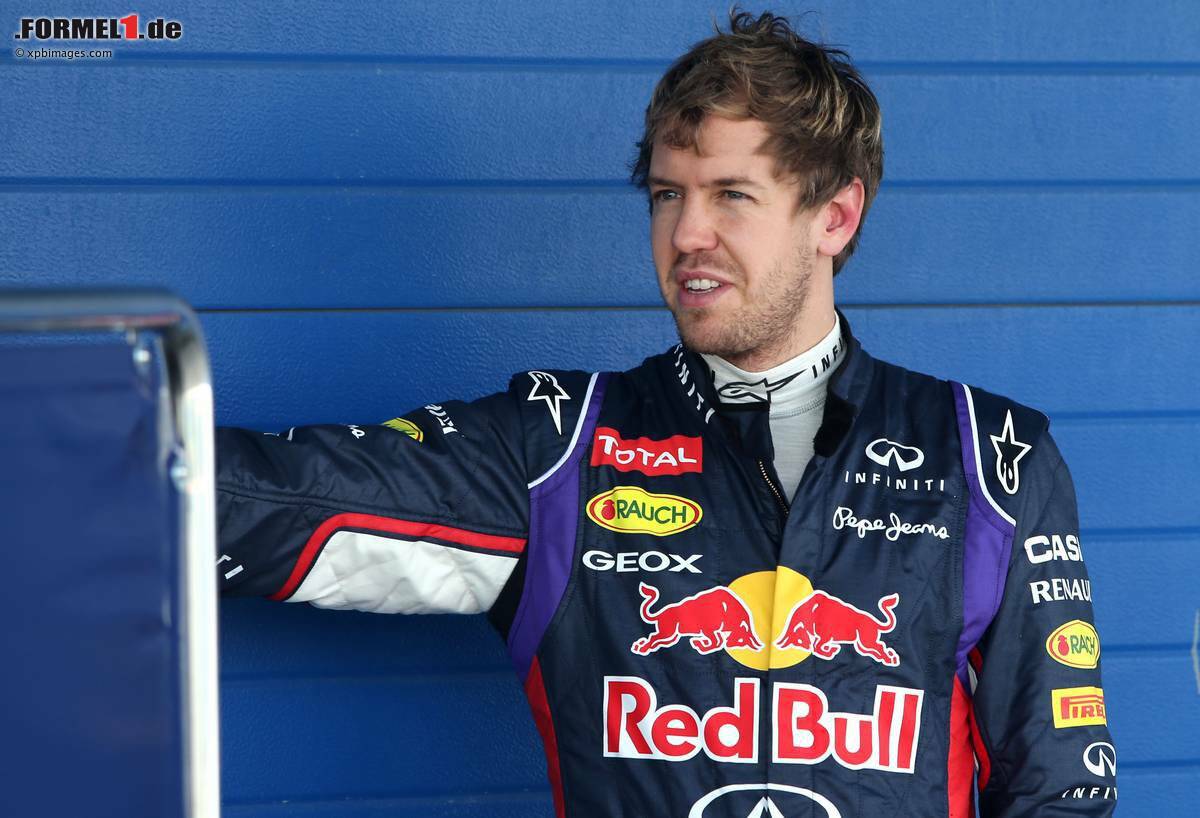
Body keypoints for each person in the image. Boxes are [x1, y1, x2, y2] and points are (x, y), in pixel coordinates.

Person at [215, 10, 1114, 817]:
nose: (686, 234)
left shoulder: (990, 458)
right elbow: (281, 500)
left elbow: (1059, 789)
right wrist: (130, 459)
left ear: (835, 217)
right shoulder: (560, 446)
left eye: (731, 194)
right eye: (667, 194)